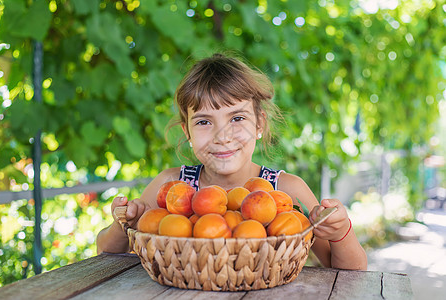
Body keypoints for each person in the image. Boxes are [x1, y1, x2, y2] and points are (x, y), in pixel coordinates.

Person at [96, 53, 367, 270]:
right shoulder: (171, 186)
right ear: (187, 131)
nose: (222, 136)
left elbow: (350, 270)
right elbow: (105, 253)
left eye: (237, 118)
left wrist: (341, 231)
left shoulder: (285, 191)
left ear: (259, 123)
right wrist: (124, 223)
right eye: (204, 122)